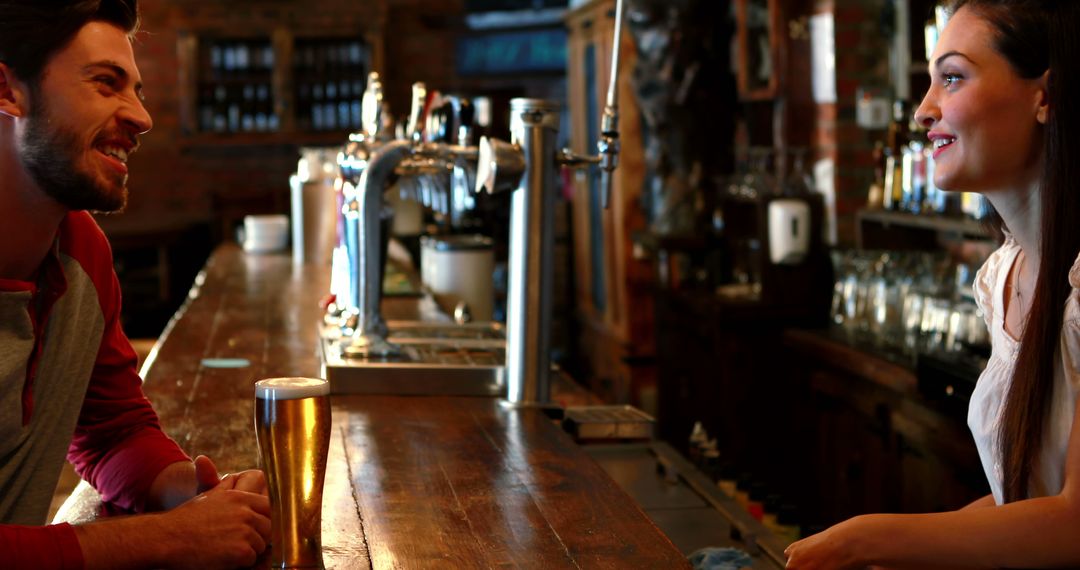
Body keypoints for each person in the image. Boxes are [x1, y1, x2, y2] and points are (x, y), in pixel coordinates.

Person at [784, 0, 1080, 568]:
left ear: (1045, 96)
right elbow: (1021, 505)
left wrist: (864, 540)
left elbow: (1074, 522)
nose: (923, 110)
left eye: (952, 77)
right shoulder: (1005, 276)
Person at [0, 1, 272, 568]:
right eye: (106, 83)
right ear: (9, 91)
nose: (142, 117)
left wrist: (192, 492)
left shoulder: (82, 251)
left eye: (137, 91)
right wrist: (167, 537)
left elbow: (111, 429)